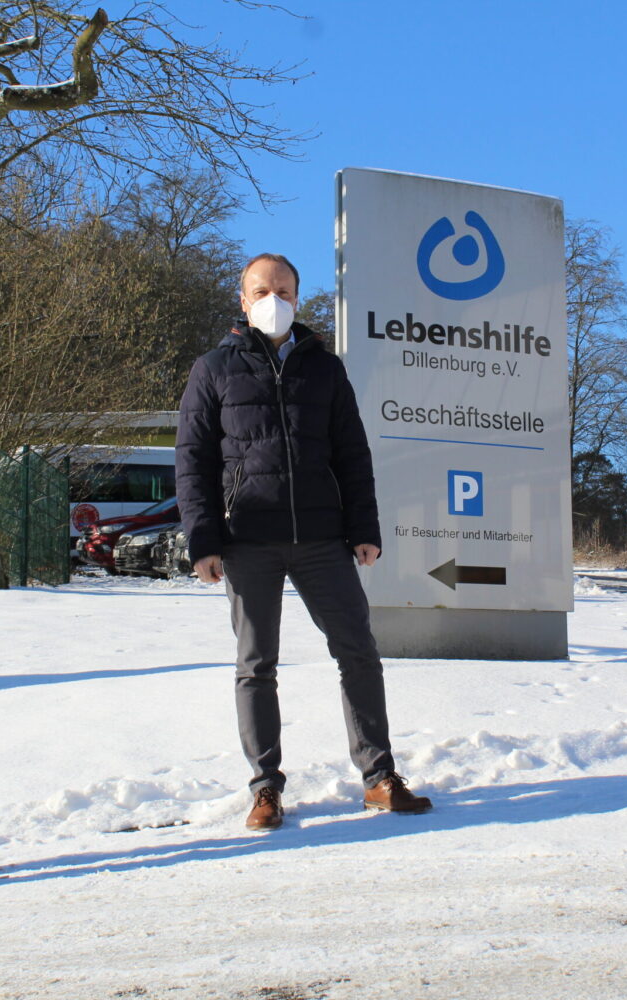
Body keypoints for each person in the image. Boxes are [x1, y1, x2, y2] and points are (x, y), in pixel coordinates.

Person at [176, 252, 431, 831]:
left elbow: (353, 453)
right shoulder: (213, 369)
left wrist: (363, 529)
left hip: (322, 537)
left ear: (298, 297)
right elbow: (192, 461)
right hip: (247, 541)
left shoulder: (326, 369)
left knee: (358, 652)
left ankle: (379, 777)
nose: (274, 299)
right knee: (255, 665)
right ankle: (265, 789)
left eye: (284, 289)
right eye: (262, 290)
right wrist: (203, 540)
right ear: (242, 300)